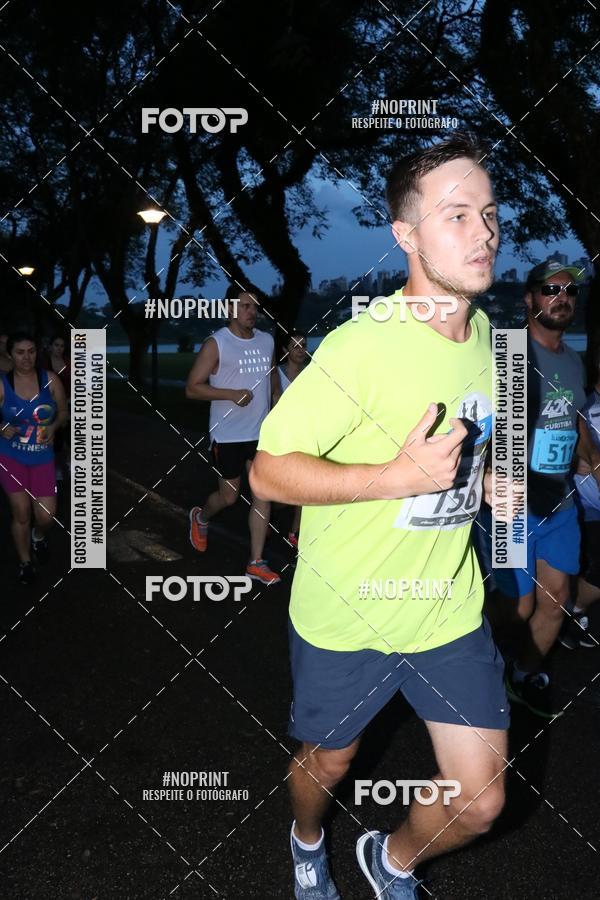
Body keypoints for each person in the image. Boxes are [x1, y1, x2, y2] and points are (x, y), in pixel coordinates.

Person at [251, 133, 507, 899]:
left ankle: (389, 860)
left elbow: (467, 449)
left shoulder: (490, 337)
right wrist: (395, 476)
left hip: (447, 609)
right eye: (458, 215)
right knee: (326, 763)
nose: (485, 233)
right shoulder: (359, 347)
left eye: (490, 214)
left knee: (484, 799)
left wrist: (492, 484)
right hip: (347, 611)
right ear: (406, 235)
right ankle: (305, 841)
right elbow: (267, 471)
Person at [482, 260, 599, 716]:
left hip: (560, 502)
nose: (562, 298)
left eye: (570, 291)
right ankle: (461, 652)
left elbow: (572, 418)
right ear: (529, 298)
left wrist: (589, 457)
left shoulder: (572, 360)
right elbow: (485, 423)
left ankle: (524, 674)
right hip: (514, 502)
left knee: (557, 601)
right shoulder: (509, 352)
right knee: (518, 606)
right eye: (550, 289)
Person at [186, 285, 282, 585]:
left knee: (263, 492)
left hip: (260, 433)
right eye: (245, 307)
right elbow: (192, 388)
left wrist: (279, 409)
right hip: (227, 434)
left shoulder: (267, 341)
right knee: (229, 497)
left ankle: (255, 562)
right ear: (229, 310)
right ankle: (201, 517)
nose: (252, 312)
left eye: (255, 306)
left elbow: (272, 383)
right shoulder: (217, 344)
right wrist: (230, 394)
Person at [0, 331, 67, 583]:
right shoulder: (3, 383)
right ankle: (25, 563)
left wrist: (54, 425)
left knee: (46, 516)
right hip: (10, 458)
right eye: (20, 352)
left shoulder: (49, 380)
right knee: (21, 513)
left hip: (42, 459)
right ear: (10, 354)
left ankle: (38, 536)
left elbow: (64, 411)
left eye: (31, 351)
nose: (26, 357)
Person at [560, 343, 600, 649]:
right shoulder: (585, 407)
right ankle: (571, 613)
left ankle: (572, 612)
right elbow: (588, 460)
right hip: (584, 508)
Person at [277, 330, 308, 548]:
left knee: (304, 488)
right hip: (279, 439)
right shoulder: (275, 375)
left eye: (303, 345)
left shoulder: (311, 374)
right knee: (280, 497)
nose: (300, 350)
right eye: (295, 346)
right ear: (285, 349)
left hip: (304, 437)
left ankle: (295, 532)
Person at [42, 333, 71, 482]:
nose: (59, 348)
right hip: (51, 405)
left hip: (70, 402)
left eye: (62, 346)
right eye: (56, 345)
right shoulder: (44, 363)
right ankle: (56, 467)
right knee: (56, 436)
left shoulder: (69, 362)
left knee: (72, 435)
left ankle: (70, 463)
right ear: (50, 346)